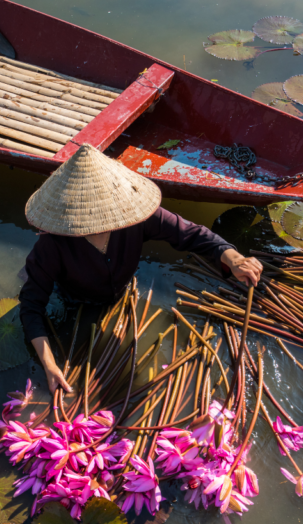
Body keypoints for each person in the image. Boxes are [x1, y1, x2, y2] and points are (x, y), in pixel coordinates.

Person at [19, 144, 262, 394]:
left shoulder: (135, 217)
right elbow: (30, 307)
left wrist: (232, 257)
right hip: (74, 299)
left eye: (106, 213)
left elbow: (191, 233)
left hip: (120, 291)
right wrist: (49, 364)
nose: (100, 222)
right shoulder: (52, 244)